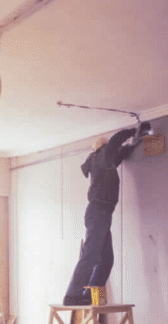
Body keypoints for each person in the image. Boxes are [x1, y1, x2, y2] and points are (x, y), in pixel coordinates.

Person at [63, 121, 151, 305]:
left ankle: (89, 296)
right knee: (91, 254)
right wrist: (135, 130)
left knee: (106, 259)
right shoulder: (102, 157)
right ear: (103, 149)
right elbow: (116, 141)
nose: (114, 151)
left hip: (102, 213)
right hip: (98, 212)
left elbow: (121, 153)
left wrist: (135, 141)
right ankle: (72, 296)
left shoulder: (104, 162)